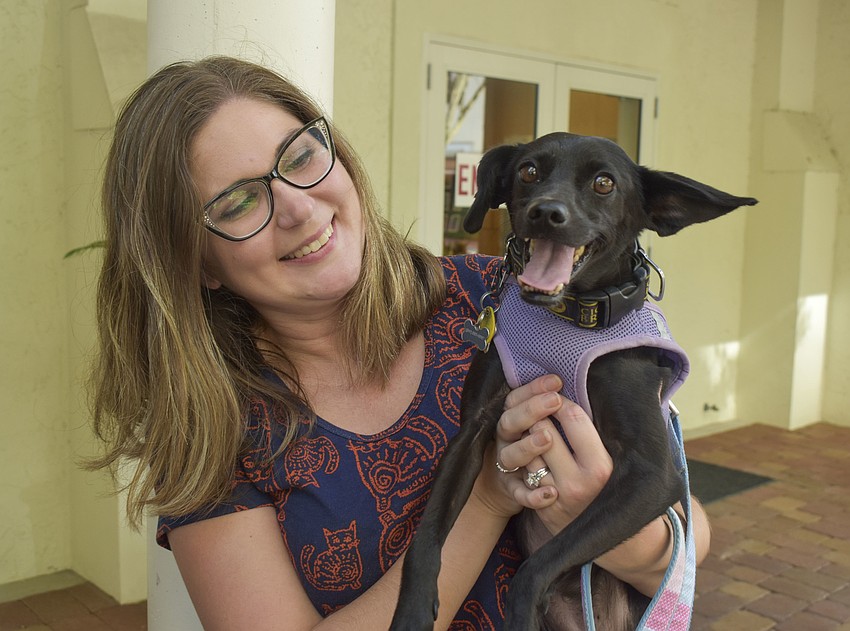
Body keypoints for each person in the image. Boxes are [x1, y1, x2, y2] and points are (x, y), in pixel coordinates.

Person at [89, 56, 709, 630]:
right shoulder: (211, 432)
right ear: (194, 260)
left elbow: (692, 534)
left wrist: (625, 538)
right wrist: (489, 496)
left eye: (301, 158)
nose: (299, 210)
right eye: (240, 199)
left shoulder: (508, 299)